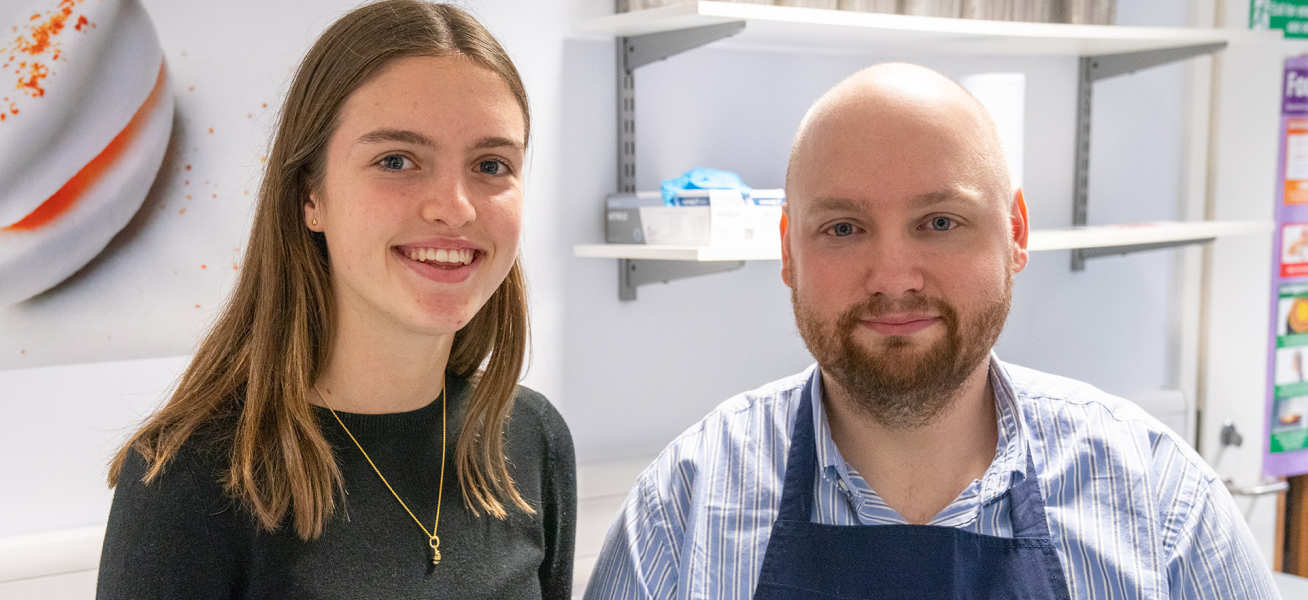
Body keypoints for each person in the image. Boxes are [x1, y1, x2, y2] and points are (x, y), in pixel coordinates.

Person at [584, 63, 1277, 599]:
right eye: (844, 228)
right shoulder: (683, 508)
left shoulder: (1161, 502)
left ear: (1015, 233)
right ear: (790, 252)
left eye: (940, 221)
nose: (893, 276)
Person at [96, 2, 575, 598]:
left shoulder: (531, 440)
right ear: (310, 197)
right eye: (396, 160)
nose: (456, 207)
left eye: (491, 164)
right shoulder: (191, 478)